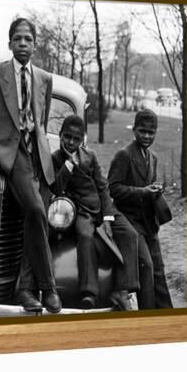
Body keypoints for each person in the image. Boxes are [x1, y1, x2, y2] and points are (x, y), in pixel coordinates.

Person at [0, 17, 61, 313]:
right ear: (10, 43)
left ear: (35, 45)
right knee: (36, 210)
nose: (23, 44)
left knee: (36, 220)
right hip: (12, 153)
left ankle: (25, 289)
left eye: (28, 39)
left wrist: (43, 154)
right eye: (17, 38)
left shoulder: (45, 79)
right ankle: (48, 289)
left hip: (39, 157)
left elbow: (42, 122)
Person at [49, 115, 140, 310]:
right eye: (67, 137)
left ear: (82, 139)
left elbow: (103, 187)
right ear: (60, 136)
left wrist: (108, 217)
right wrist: (68, 165)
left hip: (102, 209)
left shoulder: (90, 156)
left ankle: (124, 289)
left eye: (76, 139)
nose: (71, 142)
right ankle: (89, 292)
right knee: (85, 235)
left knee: (130, 234)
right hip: (81, 210)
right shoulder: (55, 159)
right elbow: (56, 188)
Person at [108, 109, 173, 309]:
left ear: (156, 133)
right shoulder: (124, 155)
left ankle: (167, 315)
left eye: (151, 132)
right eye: (142, 131)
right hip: (129, 221)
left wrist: (155, 190)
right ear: (134, 130)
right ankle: (147, 313)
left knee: (159, 271)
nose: (146, 136)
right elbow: (113, 188)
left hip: (148, 222)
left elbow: (147, 187)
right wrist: (143, 191)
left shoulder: (152, 157)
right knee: (147, 266)